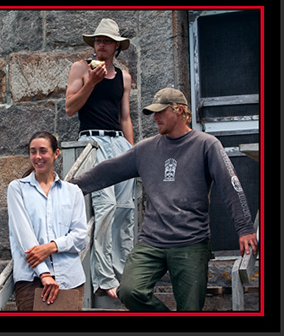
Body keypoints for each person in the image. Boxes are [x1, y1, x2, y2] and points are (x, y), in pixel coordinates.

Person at [70, 87, 258, 311]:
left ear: (179, 110)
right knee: (129, 291)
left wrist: (245, 227)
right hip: (151, 241)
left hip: (191, 241)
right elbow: (106, 172)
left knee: (190, 309)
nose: (155, 118)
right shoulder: (145, 149)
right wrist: (67, 188)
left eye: (160, 112)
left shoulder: (206, 144)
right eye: (153, 113)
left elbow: (230, 185)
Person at [65, 18, 136, 298]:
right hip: (92, 142)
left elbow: (126, 117)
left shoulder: (124, 76)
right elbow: (70, 108)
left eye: (106, 41)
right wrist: (91, 83)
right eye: (97, 41)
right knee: (104, 207)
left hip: (120, 143)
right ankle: (104, 281)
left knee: (125, 209)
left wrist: (133, 152)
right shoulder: (81, 68)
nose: (101, 45)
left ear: (116, 46)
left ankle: (124, 276)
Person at [7, 131, 88, 311]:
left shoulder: (73, 192)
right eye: (32, 151)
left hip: (70, 279)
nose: (37, 157)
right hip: (32, 280)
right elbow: (24, 237)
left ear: (56, 153)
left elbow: (81, 237)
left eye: (43, 151)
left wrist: (51, 247)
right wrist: (44, 274)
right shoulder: (17, 189)